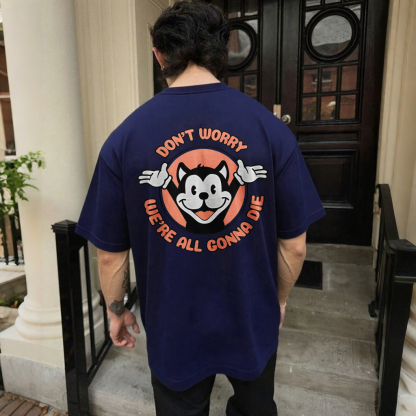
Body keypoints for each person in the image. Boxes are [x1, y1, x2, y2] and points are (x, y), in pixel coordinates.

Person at [75, 1, 326, 415]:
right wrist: (277, 302)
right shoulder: (269, 130)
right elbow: (295, 247)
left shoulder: (125, 138)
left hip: (173, 326)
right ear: (221, 52)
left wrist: (115, 310)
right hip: (251, 318)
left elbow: (109, 254)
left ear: (159, 55)